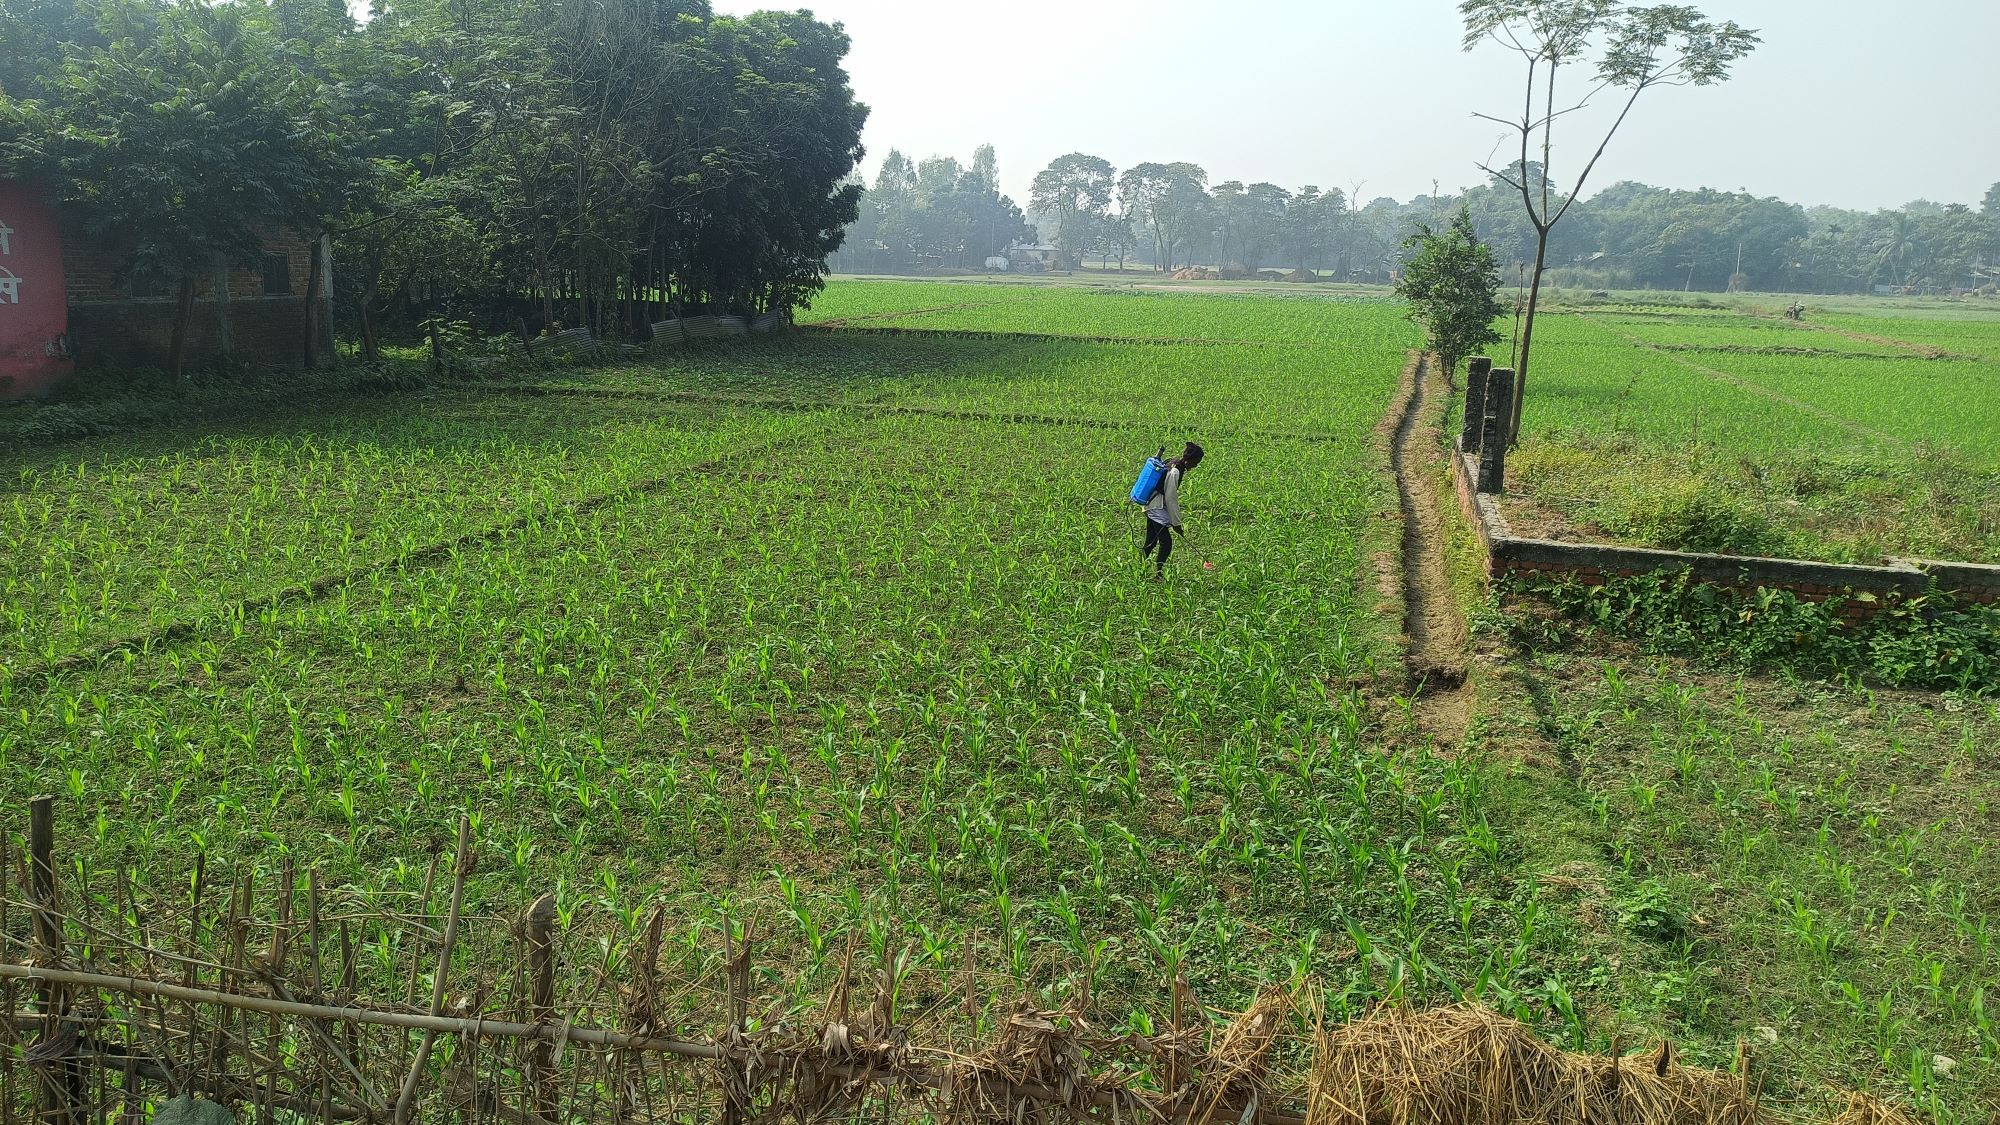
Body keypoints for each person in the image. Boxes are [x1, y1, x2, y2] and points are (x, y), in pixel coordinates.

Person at [1142, 442, 1204, 576]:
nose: (1197, 465)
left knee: (1150, 541)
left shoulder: (1173, 462)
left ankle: (1138, 569)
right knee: (1166, 543)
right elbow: (1171, 499)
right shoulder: (1175, 471)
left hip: (1151, 504)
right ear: (1191, 460)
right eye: (1197, 462)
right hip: (1156, 508)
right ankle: (1157, 574)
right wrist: (1176, 523)